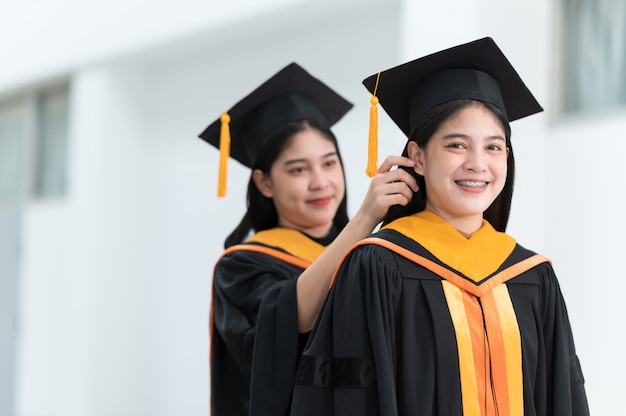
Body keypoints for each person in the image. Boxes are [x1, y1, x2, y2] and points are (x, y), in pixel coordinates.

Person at [290, 38, 590, 415]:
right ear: (417, 155)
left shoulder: (533, 276)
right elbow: (351, 397)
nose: (478, 164)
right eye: (456, 146)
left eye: (493, 147)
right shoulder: (378, 267)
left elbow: (563, 397)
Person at [198, 62, 418, 416]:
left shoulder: (372, 255)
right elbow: (287, 321)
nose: (320, 182)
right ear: (264, 183)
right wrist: (365, 218)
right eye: (298, 169)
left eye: (329, 163)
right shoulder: (241, 266)